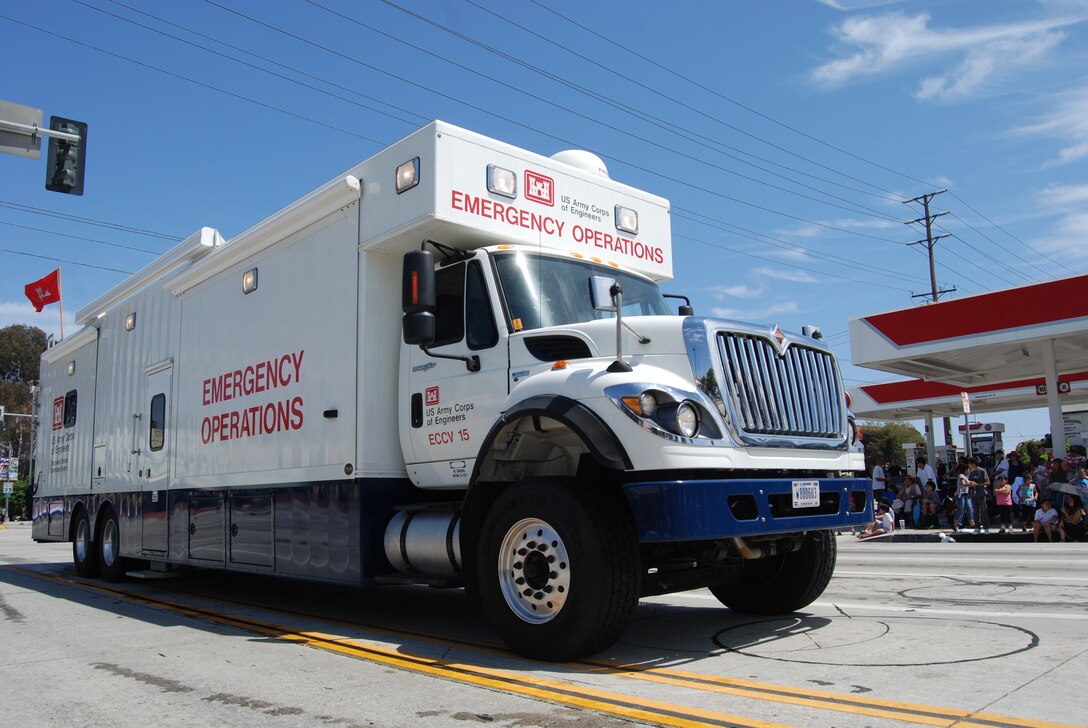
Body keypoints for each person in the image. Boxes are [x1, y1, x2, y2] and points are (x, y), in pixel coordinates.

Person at [967, 457, 991, 534]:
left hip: (981, 493)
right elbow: (969, 482)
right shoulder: (971, 472)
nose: (969, 465)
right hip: (973, 494)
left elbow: (988, 482)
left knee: (983, 510)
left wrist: (978, 484)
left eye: (969, 464)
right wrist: (970, 486)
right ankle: (977, 527)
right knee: (975, 511)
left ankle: (986, 527)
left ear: (973, 464)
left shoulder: (982, 471)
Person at [954, 464, 975, 532]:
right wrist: (970, 484)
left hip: (966, 495)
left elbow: (967, 486)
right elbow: (963, 484)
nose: (969, 471)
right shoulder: (961, 476)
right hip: (961, 495)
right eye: (968, 470)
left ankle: (972, 524)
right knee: (960, 510)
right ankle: (955, 525)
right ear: (965, 470)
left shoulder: (966, 477)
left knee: (969, 509)